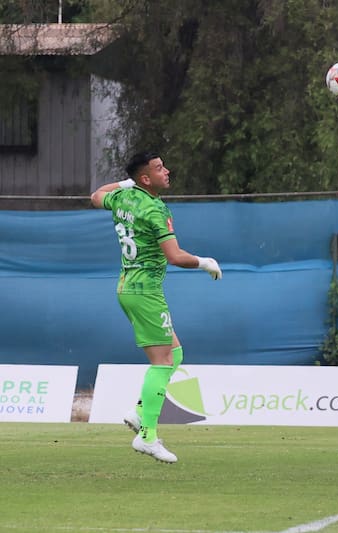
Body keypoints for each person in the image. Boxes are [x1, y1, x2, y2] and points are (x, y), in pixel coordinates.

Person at [91, 152, 222, 463]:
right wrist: (205, 262)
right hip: (146, 290)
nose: (167, 171)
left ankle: (138, 413)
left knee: (174, 353)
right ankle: (147, 436)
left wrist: (126, 182)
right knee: (162, 361)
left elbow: (96, 195)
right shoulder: (154, 208)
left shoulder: (122, 197)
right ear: (146, 179)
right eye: (159, 168)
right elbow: (175, 257)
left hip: (127, 287)